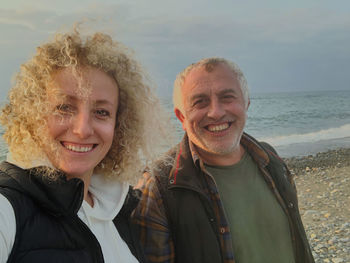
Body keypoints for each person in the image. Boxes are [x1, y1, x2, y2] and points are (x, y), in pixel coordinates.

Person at [0, 27, 167, 262]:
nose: (83, 129)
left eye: (101, 112)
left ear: (120, 125)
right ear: (34, 113)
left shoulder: (115, 207)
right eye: (64, 107)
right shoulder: (8, 208)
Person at [133, 57, 315, 263]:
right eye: (199, 102)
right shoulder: (158, 187)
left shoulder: (271, 161)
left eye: (227, 97)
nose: (216, 112)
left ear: (246, 104)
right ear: (181, 117)